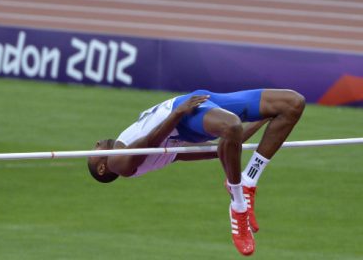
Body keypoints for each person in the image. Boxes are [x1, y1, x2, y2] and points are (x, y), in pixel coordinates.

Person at [87, 89, 305, 256]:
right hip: (185, 112)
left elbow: (222, 148)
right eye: (93, 152)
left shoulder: (162, 155)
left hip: (199, 100)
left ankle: (248, 179)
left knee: (293, 104)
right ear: (102, 168)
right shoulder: (117, 162)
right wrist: (177, 113)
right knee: (231, 126)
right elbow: (149, 143)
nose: (97, 143)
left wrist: (264, 119)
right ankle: (238, 202)